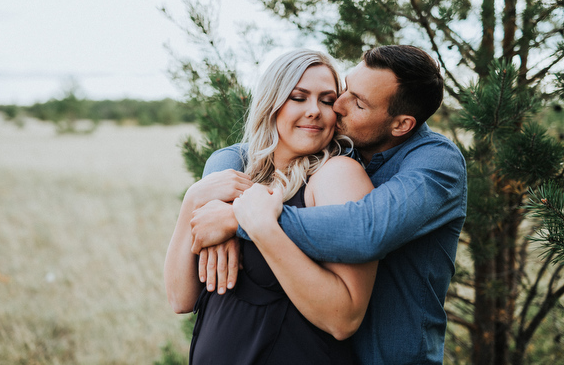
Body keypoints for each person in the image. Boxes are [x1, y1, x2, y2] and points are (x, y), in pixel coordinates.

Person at [190, 45, 468, 364]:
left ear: (401, 125)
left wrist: (240, 220)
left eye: (358, 102)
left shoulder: (435, 164)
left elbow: (367, 230)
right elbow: (247, 150)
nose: (338, 104)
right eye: (346, 88)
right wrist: (214, 189)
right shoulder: (346, 145)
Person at [164, 49, 378, 364]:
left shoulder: (336, 175)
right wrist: (193, 199)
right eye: (298, 97)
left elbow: (343, 318)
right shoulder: (239, 176)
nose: (314, 111)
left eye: (327, 100)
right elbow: (181, 299)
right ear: (272, 104)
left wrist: (258, 227)